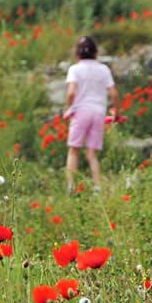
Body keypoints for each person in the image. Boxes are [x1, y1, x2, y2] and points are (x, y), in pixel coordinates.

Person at [63, 36, 119, 193]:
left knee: (74, 149)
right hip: (99, 112)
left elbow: (71, 92)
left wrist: (70, 108)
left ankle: (71, 186)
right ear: (96, 52)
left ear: (77, 53)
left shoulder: (75, 69)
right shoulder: (104, 69)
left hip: (81, 111)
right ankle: (97, 186)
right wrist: (115, 111)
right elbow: (114, 93)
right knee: (91, 153)